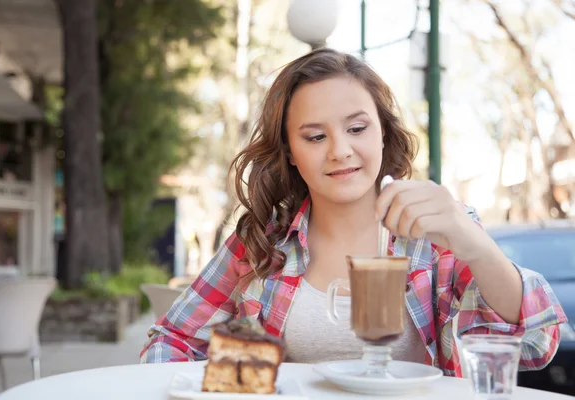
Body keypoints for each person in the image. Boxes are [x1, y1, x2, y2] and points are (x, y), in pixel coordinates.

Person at [140, 49, 566, 376]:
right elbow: (170, 342)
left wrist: (470, 240)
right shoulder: (262, 242)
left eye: (357, 128)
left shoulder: (438, 233)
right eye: (314, 136)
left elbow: (535, 342)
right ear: (290, 153)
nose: (340, 150)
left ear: (383, 132)